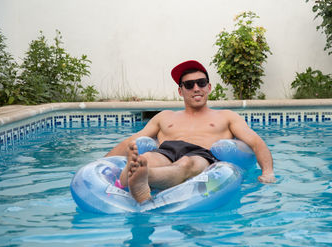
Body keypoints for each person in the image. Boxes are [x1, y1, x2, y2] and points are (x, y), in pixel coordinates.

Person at [105, 60, 275, 203]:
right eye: (189, 84)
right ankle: (139, 176)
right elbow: (131, 141)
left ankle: (142, 179)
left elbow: (256, 143)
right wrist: (102, 163)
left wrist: (267, 172)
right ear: (181, 91)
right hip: (166, 150)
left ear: (208, 87)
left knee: (186, 163)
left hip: (202, 155)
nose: (196, 88)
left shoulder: (226, 116)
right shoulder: (164, 117)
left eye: (201, 83)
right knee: (146, 158)